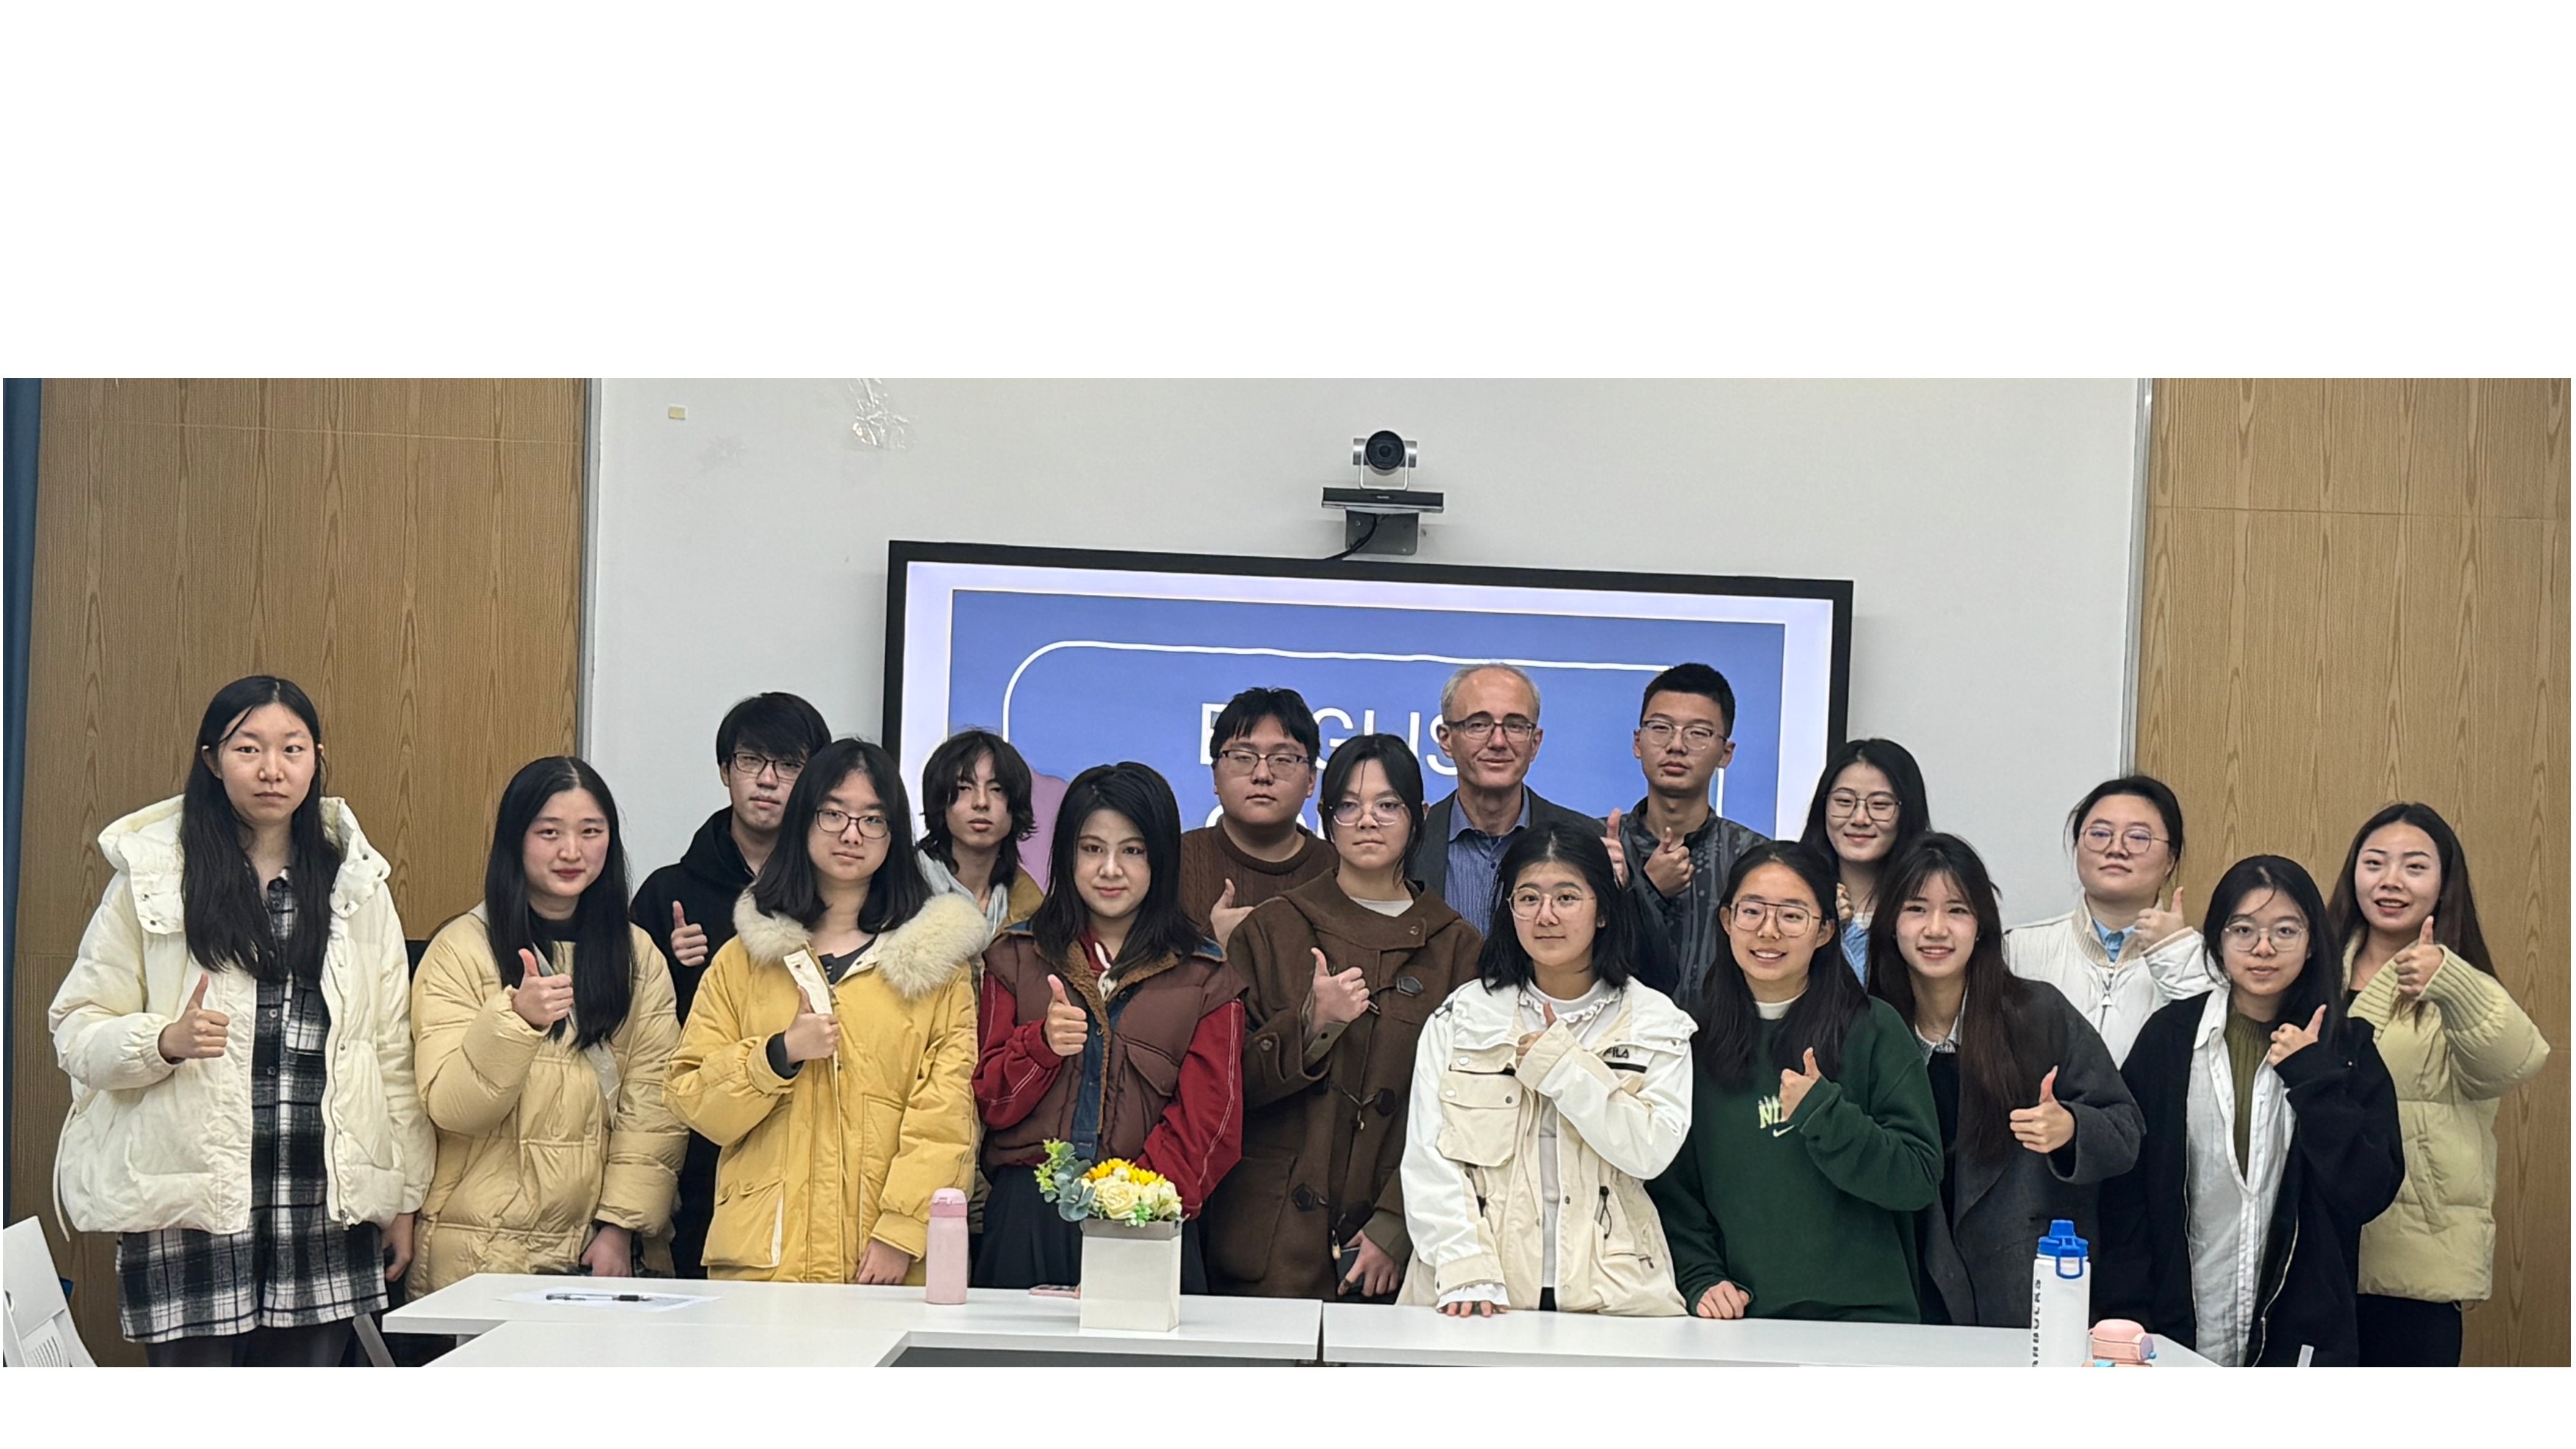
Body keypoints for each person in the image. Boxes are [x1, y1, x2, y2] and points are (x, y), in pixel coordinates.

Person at [50, 676, 431, 1366]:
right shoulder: (154, 876)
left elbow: (388, 1058)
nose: (271, 769)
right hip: (189, 1206)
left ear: (316, 759)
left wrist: (401, 1198)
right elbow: (76, 1028)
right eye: (248, 748)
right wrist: (162, 1042)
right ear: (212, 759)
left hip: (321, 1205)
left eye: (292, 749)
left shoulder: (354, 884)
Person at [665, 739, 987, 1283]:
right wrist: (777, 1055)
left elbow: (946, 1116)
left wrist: (901, 1232)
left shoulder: (934, 967)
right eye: (833, 814)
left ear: (894, 834)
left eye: (873, 819)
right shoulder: (745, 958)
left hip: (883, 1262)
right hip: (766, 1261)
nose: (851, 834)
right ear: (803, 821)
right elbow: (692, 1099)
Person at [2096, 856, 2405, 1367]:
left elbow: (2368, 1192)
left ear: (2311, 943)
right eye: (2243, 930)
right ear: (2216, 940)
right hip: (2171, 1331)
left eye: (2285, 930)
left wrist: (2313, 1080)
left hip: (2300, 1341)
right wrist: (2128, 1317)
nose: (2263, 948)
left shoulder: (2346, 1048)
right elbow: (2125, 1194)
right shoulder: (2169, 1038)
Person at [1205, 734, 1482, 1301]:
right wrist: (1310, 1028)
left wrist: (1396, 1222)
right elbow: (1221, 1088)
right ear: (1325, 817)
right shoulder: (1273, 928)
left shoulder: (1458, 949)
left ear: (1418, 814)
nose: (1367, 821)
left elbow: (1470, 1109)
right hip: (1272, 1234)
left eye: (1387, 805)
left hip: (1397, 1245)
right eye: (1348, 806)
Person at [409, 758, 686, 1289]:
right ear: (515, 840)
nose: (571, 852)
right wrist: (515, 1022)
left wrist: (619, 1227)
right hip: (480, 1248)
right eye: (549, 833)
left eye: (591, 832)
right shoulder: (461, 950)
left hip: (595, 1251)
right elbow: (452, 1109)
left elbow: (655, 1105)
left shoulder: (637, 955)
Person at [1397, 823, 1693, 1317]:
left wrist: (1564, 1069)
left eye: (1567, 897)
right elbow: (1428, 1156)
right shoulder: (1464, 1016)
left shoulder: (1655, 1021)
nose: (1546, 916)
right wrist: (1465, 1265)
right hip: (1475, 1290)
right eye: (1528, 898)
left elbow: (1650, 1152)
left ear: (1603, 910)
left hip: (1616, 1291)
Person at [973, 761, 1247, 1291]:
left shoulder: (1205, 976)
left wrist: (1130, 1205)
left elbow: (1211, 1124)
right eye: (1092, 849)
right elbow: (989, 1103)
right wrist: (1041, 1046)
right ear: (1066, 855)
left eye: (1133, 851)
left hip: (1148, 1219)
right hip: (1027, 1217)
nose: (1110, 869)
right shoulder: (1016, 955)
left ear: (1161, 858)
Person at [1647, 843, 1942, 1324]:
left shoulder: (1873, 1028)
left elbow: (1916, 1179)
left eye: (1791, 915)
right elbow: (1673, 1190)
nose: (1768, 931)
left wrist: (1826, 1115)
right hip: (1738, 1319)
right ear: (1726, 921)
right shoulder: (1689, 1037)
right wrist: (1699, 1276)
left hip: (1867, 1318)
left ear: (1824, 930)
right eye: (1752, 911)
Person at [1865, 834, 2142, 1328]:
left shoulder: (2038, 1013)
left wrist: (2070, 1128)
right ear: (1890, 923)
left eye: (1956, 910)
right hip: (1902, 1285)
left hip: (2022, 1289)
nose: (1935, 929)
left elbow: (2125, 1129)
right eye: (1915, 909)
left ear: (1981, 927)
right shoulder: (1866, 1028)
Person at [2325, 803, 2549, 1367]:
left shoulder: (2460, 986)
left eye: (2414, 866)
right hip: (2313, 1250)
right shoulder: (2316, 968)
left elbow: (2515, 1061)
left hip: (2412, 1263)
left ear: (2445, 884)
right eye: (2374, 863)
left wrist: (2449, 981)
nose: (2390, 880)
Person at [629, 691, 830, 1276]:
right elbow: (630, 1030)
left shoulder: (839, 895)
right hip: (697, 1144)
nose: (767, 780)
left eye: (788, 765)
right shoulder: (668, 891)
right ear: (725, 771)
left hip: (808, 1139)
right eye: (750, 761)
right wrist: (673, 968)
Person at [2003, 774, 2214, 1065]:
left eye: (2138, 837)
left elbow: (2210, 1056)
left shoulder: (2207, 961)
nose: (2116, 849)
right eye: (2100, 834)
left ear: (2170, 860)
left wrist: (2175, 958)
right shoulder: (2017, 950)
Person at [1613, 662, 1768, 1013]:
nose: (1676, 746)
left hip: (1725, 1043)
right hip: (1609, 1043)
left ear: (1726, 754)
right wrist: (1645, 891)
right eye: (1661, 728)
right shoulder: (1596, 847)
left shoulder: (1756, 859)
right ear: (1637, 743)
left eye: (1698, 733)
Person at [1176, 686, 1337, 953]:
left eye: (1283, 759)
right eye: (1243, 758)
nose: (1262, 775)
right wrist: (1211, 947)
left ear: (1311, 780)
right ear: (1215, 776)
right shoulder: (1173, 862)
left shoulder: (1339, 871)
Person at [1795, 739, 1930, 984]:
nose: (1860, 819)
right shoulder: (1789, 893)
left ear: (1908, 811)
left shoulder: (1932, 909)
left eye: (1880, 805)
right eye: (1844, 802)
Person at [915, 727, 1045, 938]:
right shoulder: (901, 891)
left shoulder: (1032, 909)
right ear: (939, 799)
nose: (981, 802)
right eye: (964, 788)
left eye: (997, 789)